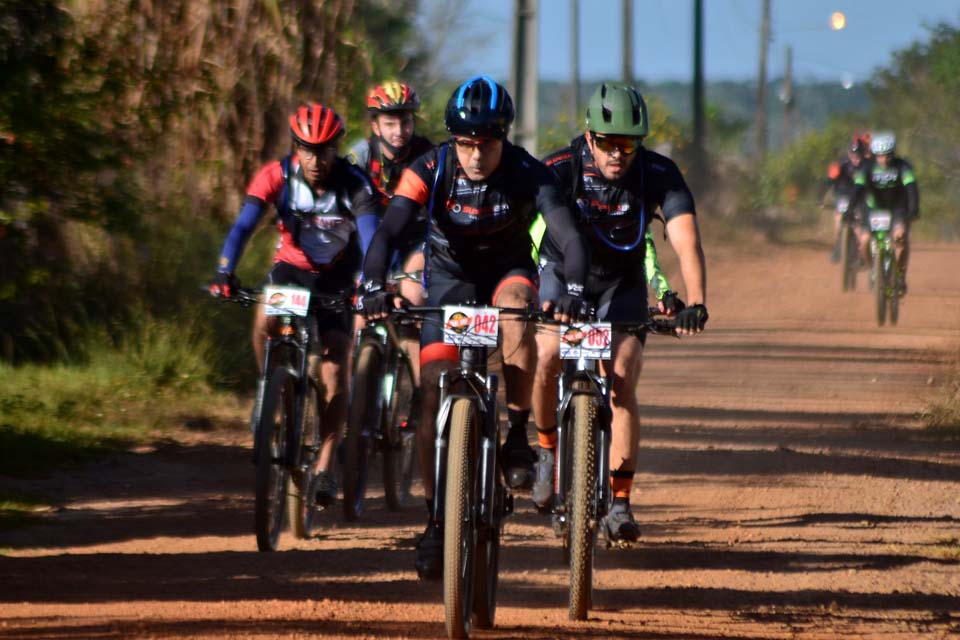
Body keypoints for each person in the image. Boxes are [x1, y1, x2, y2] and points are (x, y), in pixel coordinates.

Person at [359, 75, 591, 579]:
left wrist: (572, 292)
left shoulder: (529, 172)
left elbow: (570, 238)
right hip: (449, 278)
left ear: (502, 138)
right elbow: (389, 229)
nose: (475, 153)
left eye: (486, 142)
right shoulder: (429, 167)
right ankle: (436, 521)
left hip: (507, 272)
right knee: (428, 399)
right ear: (452, 140)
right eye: (465, 142)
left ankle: (515, 436)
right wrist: (373, 283)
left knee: (515, 311)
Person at [531, 83, 708, 542]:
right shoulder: (560, 168)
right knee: (548, 352)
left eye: (628, 144)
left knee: (623, 376)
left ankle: (621, 503)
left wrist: (697, 300)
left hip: (620, 281)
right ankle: (548, 447)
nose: (618, 155)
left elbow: (685, 237)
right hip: (561, 271)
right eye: (608, 143)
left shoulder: (656, 172)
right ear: (589, 137)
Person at [210, 103, 380, 507]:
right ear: (296, 146)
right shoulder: (276, 175)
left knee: (335, 366)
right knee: (265, 314)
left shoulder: (355, 184)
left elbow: (373, 238)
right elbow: (243, 227)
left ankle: (324, 465)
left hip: (338, 275)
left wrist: (372, 285)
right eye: (306, 148)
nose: (315, 159)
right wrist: (224, 271)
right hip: (292, 268)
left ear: (337, 147)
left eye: (323, 150)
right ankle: (268, 385)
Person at [347, 81, 433, 411]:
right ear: (375, 125)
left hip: (414, 241)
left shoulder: (428, 154)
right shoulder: (358, 157)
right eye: (390, 123)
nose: (399, 131)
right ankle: (351, 408)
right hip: (371, 240)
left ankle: (420, 394)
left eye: (406, 122)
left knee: (412, 301)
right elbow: (353, 213)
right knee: (359, 317)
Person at [850, 131, 919, 294]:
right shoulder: (867, 167)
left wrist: (914, 209)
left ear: (893, 154)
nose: (884, 160)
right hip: (874, 207)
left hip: (897, 207)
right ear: (874, 155)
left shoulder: (903, 166)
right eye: (879, 156)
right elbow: (858, 189)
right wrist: (850, 209)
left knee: (900, 241)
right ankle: (873, 269)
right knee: (865, 241)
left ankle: (900, 275)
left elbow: (912, 189)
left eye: (887, 155)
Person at [823, 135, 869, 263]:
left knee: (859, 222)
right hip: (844, 195)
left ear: (863, 154)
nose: (856, 159)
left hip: (860, 197)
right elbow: (828, 181)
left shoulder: (868, 165)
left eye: (858, 156)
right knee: (839, 218)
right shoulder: (840, 164)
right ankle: (838, 246)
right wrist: (821, 198)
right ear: (849, 154)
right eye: (853, 156)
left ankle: (861, 252)